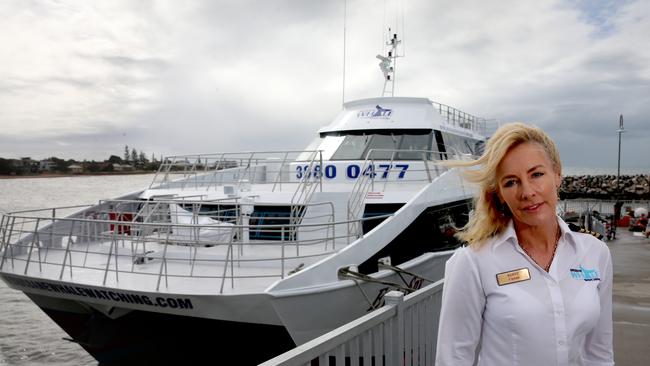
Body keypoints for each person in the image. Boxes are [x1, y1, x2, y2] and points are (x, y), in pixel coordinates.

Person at [435, 123, 614, 365]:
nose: (527, 192)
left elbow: (599, 354)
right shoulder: (473, 262)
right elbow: (454, 358)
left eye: (536, 174)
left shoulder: (595, 252)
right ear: (499, 193)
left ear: (557, 174)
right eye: (511, 182)